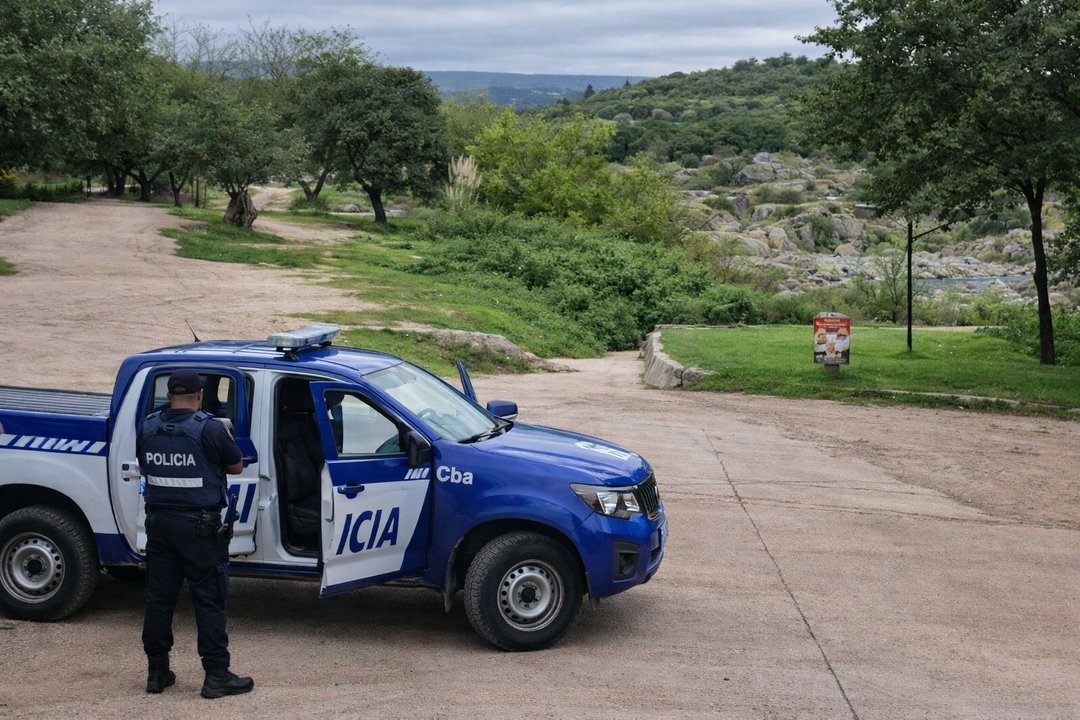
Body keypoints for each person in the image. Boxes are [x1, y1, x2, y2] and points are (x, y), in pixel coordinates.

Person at [137, 369, 254, 699]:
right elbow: (236, 467)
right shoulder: (210, 428)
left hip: (159, 526)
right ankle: (216, 676)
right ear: (200, 396)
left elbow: (146, 468)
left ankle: (157, 673)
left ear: (169, 395)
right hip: (199, 530)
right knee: (209, 601)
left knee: (159, 600)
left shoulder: (148, 427)